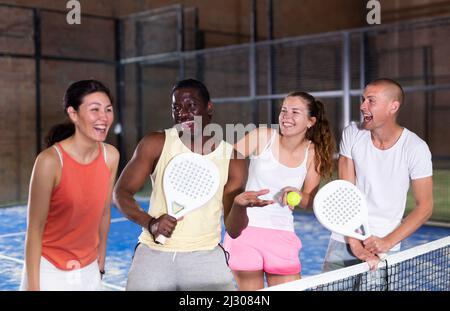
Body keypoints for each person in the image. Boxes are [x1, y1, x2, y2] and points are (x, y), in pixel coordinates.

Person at [113, 78, 272, 291]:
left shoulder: (232, 158)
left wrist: (240, 206)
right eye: (176, 107)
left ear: (209, 108)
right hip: (153, 255)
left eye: (191, 105)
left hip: (206, 257)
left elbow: (233, 230)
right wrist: (150, 223)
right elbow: (121, 192)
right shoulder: (156, 143)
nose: (183, 113)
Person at [223, 91, 336, 290]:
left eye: (295, 112)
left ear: (310, 121)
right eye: (284, 110)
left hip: (282, 235)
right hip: (244, 233)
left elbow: (310, 202)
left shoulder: (313, 154)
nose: (286, 116)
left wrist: (300, 196)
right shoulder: (262, 136)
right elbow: (225, 163)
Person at [322, 78, 433, 273]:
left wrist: (386, 242)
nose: (363, 106)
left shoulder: (416, 148)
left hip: (384, 246)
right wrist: (355, 243)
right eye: (363, 99)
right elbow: (346, 192)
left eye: (370, 101)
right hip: (344, 239)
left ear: (393, 106)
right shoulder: (353, 134)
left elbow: (424, 207)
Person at [20, 80, 120, 291]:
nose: (104, 117)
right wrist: (33, 287)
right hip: (48, 270)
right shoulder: (49, 162)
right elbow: (34, 230)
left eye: (108, 109)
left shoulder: (111, 156)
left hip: (89, 269)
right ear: (73, 114)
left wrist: (100, 261)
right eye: (94, 109)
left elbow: (103, 213)